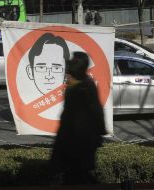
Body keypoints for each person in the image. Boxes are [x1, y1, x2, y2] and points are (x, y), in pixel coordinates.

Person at [51, 51, 107, 184]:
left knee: (75, 176)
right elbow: (97, 111)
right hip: (81, 140)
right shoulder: (85, 85)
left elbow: (94, 111)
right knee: (79, 175)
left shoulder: (79, 87)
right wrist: (100, 132)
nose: (66, 75)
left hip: (75, 140)